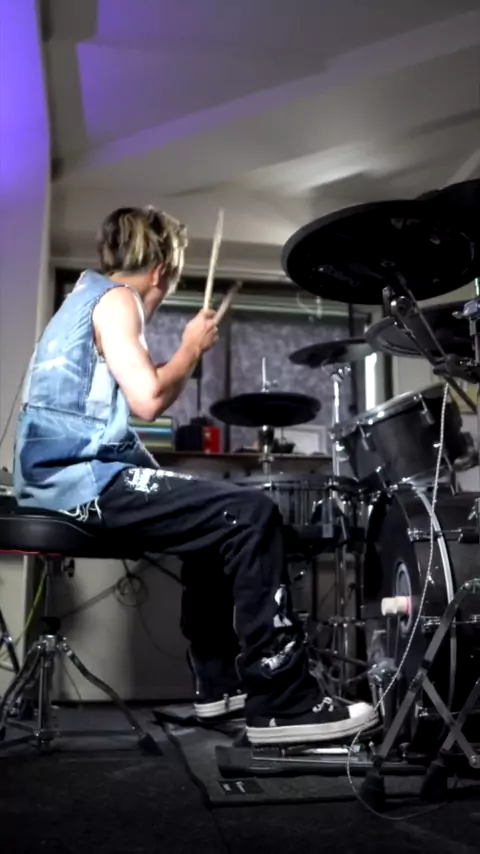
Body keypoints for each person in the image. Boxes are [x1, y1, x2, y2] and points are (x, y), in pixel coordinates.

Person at [14, 206, 376, 745]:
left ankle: (218, 684)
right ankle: (283, 702)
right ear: (161, 271)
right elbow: (148, 399)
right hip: (78, 480)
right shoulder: (118, 299)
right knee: (253, 512)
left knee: (210, 525)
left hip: (53, 478)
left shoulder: (79, 300)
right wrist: (190, 347)